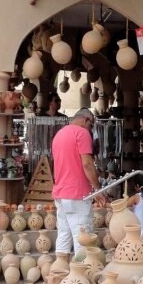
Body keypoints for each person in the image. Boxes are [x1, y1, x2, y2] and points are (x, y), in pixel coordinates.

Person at [51, 108, 105, 255]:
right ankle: (83, 269)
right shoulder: (82, 133)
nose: (91, 130)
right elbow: (87, 164)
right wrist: (98, 189)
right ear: (86, 120)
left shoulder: (59, 134)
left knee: (64, 235)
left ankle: (60, 266)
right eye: (91, 126)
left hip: (61, 193)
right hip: (77, 194)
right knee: (83, 239)